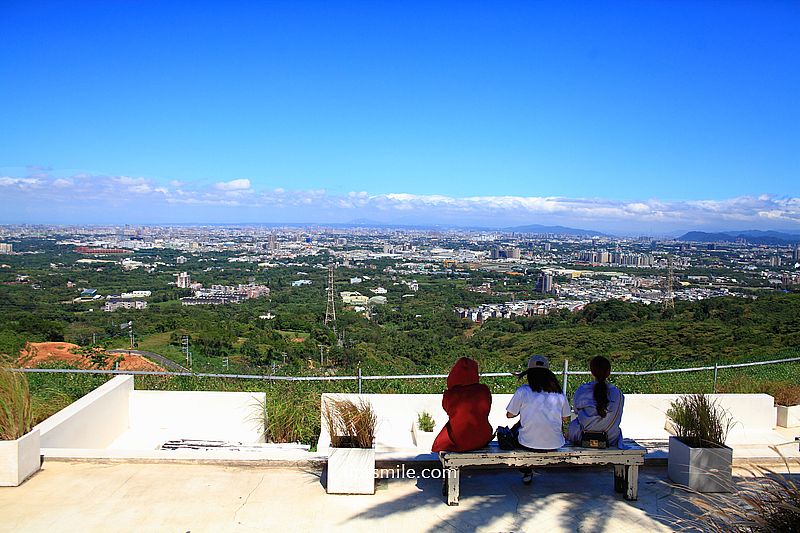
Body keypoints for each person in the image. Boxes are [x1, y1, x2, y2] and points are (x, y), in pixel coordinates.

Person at [505, 355, 571, 484]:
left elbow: (509, 415)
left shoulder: (523, 391)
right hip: (555, 444)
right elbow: (566, 417)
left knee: (516, 429)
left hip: (528, 444)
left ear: (529, 373)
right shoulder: (559, 393)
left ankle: (526, 470)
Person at [431, 357, 493, 453]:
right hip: (483, 436)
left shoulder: (450, 394)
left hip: (460, 438)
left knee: (438, 444)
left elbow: (447, 409)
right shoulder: (483, 390)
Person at [568, 356, 624, 448]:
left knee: (572, 425)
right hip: (609, 438)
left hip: (582, 436)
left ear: (592, 372)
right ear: (609, 372)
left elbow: (576, 410)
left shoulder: (582, 390)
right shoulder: (617, 393)